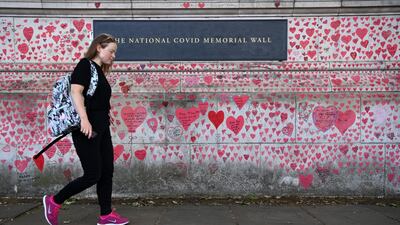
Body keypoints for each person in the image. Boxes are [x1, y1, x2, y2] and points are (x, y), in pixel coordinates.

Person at [42, 33, 129, 225]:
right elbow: (76, 91)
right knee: (93, 174)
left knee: (107, 171)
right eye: (111, 51)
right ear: (99, 47)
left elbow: (96, 100)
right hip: (86, 129)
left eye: (115, 52)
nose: (113, 56)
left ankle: (106, 215)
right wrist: (84, 120)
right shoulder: (85, 65)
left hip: (101, 128)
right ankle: (54, 201)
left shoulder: (99, 71)